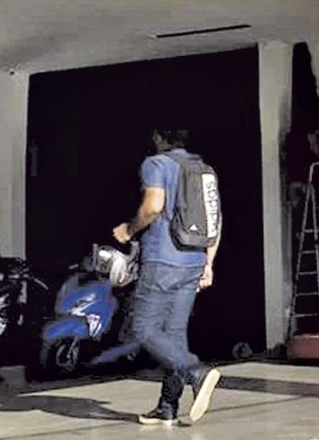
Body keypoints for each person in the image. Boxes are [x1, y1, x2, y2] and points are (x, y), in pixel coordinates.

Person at [113, 129, 222, 426]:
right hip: (193, 260)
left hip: (163, 259)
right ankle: (167, 406)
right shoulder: (204, 170)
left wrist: (129, 230)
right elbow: (214, 220)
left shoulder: (157, 163)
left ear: (159, 138)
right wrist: (208, 263)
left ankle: (196, 373)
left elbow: (153, 206)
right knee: (173, 335)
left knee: (142, 328)